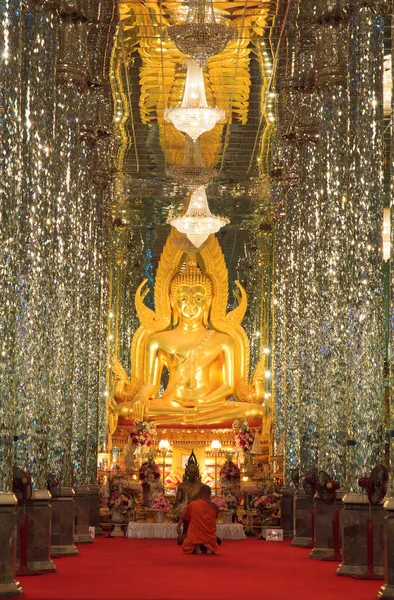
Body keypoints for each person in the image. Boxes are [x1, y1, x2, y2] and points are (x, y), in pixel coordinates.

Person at [177, 484, 219, 555]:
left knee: (193, 531)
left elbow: (187, 518)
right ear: (210, 494)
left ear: (199, 493)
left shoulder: (193, 504)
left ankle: (197, 546)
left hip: (196, 534)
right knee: (207, 533)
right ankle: (209, 547)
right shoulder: (215, 507)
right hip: (209, 536)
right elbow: (215, 518)